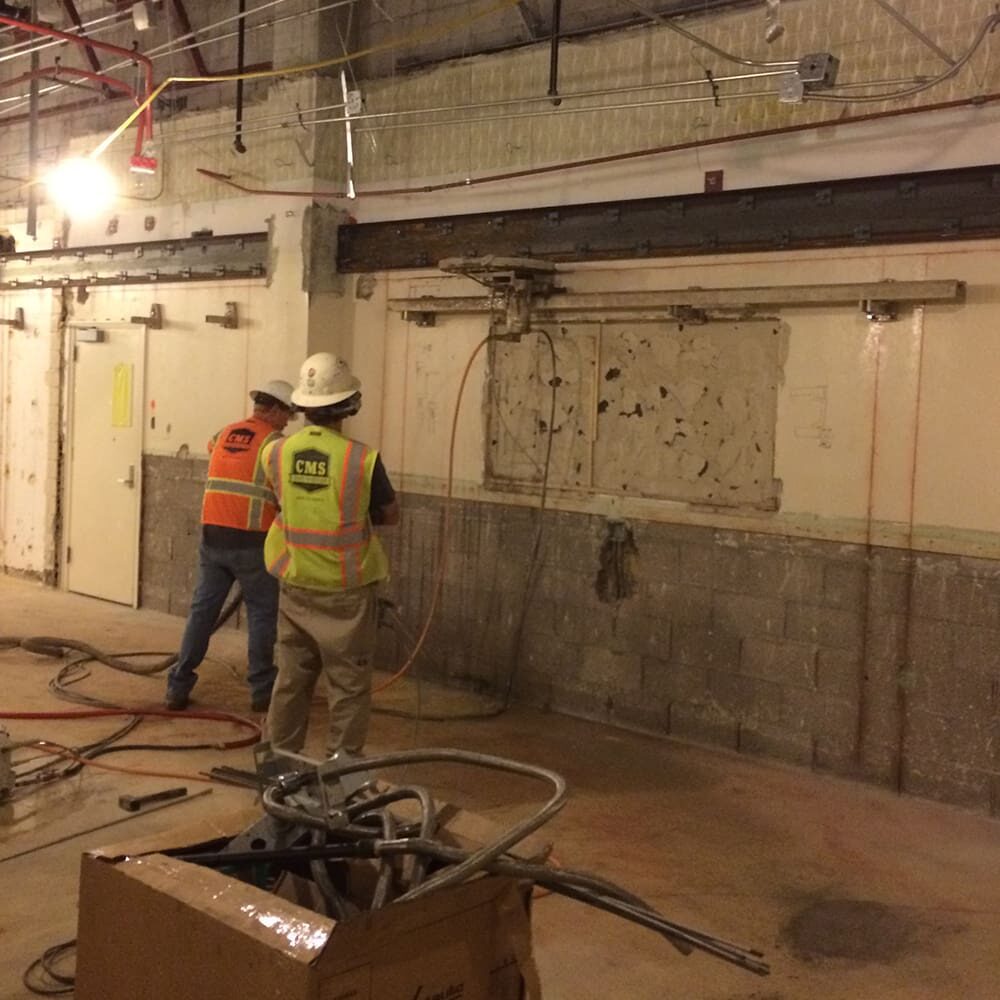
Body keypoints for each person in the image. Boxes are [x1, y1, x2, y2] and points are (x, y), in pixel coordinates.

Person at [262, 352, 399, 757]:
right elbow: (390, 515)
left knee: (290, 682)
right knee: (349, 687)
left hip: (295, 584)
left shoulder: (275, 452)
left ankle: (279, 768)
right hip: (346, 592)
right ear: (349, 404)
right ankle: (340, 775)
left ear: (302, 406)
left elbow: (281, 500)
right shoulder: (361, 458)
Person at [165, 380, 295, 712]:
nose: (288, 422)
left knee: (202, 613)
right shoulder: (275, 444)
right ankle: (262, 691)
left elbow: (215, 450)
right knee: (262, 617)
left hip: (213, 539)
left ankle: (178, 685)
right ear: (276, 410)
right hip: (252, 543)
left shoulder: (224, 434)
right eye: (287, 415)